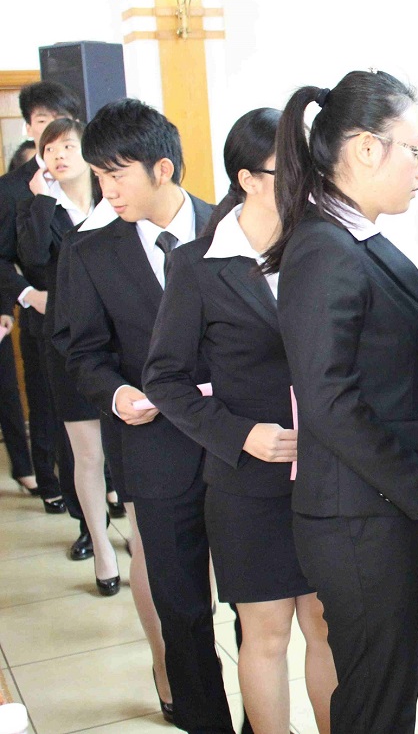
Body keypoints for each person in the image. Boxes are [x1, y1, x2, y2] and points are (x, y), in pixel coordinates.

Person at [263, 71, 418, 733]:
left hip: (376, 509)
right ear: (367, 148)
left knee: (385, 695)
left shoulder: (351, 237)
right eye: (415, 148)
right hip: (359, 519)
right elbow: (329, 400)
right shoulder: (324, 249)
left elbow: (385, 377)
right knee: (376, 704)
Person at [144, 108, 335, 734]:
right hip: (248, 482)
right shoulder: (198, 264)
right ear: (248, 179)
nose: (307, 181)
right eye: (291, 169)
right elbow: (165, 379)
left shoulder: (325, 247)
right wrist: (240, 434)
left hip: (328, 472)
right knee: (267, 634)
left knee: (326, 627)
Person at [62, 98, 232, 732]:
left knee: (259, 603)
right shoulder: (90, 251)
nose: (106, 191)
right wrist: (115, 395)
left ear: (163, 168)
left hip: (240, 443)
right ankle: (202, 717)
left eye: (116, 175)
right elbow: (81, 350)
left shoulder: (233, 227)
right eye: (98, 176)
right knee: (181, 604)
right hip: (155, 447)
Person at [15, 117, 120, 594]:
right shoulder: (39, 206)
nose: (59, 155)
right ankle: (100, 545)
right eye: (50, 148)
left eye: (68, 146)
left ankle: (140, 537)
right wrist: (40, 201)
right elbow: (34, 257)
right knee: (87, 453)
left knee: (126, 447)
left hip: (120, 336)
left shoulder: (112, 196)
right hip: (68, 341)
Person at [0, 81, 81, 532]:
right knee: (48, 404)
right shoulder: (12, 188)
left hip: (92, 316)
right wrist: (26, 295)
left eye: (59, 121)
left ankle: (106, 486)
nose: (51, 131)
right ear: (30, 127)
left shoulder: (93, 174)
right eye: (42, 121)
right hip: (40, 311)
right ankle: (51, 483)